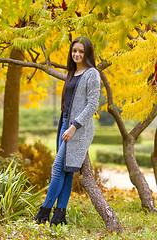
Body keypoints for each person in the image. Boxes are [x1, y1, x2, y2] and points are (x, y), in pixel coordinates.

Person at [34, 36, 100, 226]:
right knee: (66, 170)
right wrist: (66, 125)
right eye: (74, 51)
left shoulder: (92, 74)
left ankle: (44, 212)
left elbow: (92, 105)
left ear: (87, 53)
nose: (77, 54)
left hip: (78, 129)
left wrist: (73, 127)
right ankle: (59, 215)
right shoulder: (71, 73)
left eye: (81, 51)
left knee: (57, 168)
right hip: (64, 124)